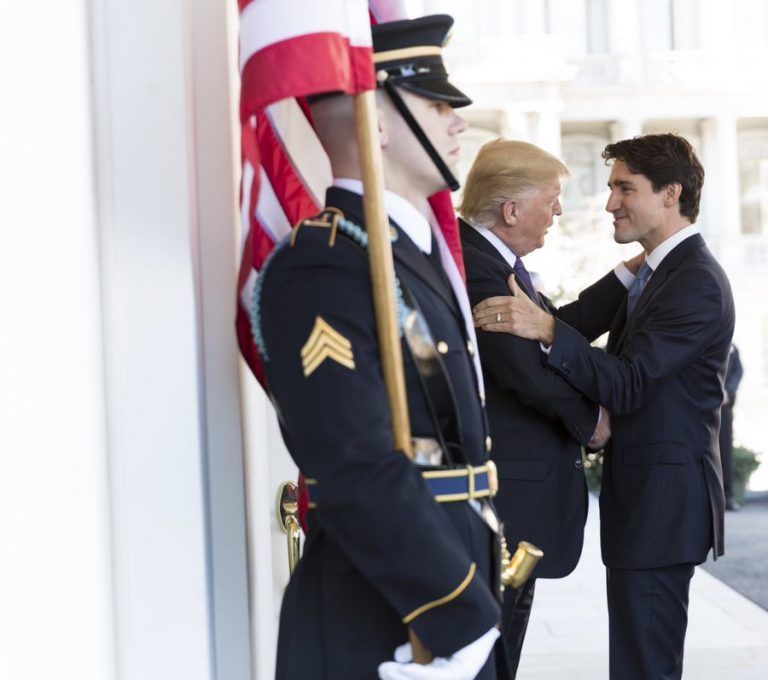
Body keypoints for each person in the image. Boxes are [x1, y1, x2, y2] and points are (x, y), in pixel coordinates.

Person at [254, 16, 504, 680]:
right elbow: (353, 460)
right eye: (437, 103)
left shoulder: (410, 254)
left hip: (449, 585)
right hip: (391, 610)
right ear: (378, 121)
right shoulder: (327, 264)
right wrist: (455, 613)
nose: (459, 121)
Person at [473, 133, 735, 679]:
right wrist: (570, 313)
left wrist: (546, 328)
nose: (610, 202)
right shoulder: (662, 271)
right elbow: (574, 328)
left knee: (645, 667)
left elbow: (631, 382)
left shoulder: (696, 283)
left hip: (662, 508)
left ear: (670, 194)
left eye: (624, 188)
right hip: (644, 505)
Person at [458, 139, 636, 676]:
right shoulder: (480, 269)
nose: (558, 212)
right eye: (551, 199)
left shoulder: (493, 260)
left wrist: (633, 269)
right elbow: (524, 372)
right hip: (508, 501)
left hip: (517, 502)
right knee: (494, 655)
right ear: (511, 210)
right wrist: (593, 421)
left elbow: (560, 325)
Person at [721, 343, 744, 511]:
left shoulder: (733, 347)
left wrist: (728, 391)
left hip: (724, 405)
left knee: (725, 451)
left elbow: (738, 371)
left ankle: (727, 496)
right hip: (701, 404)